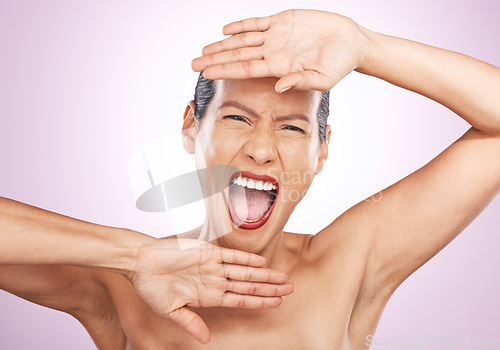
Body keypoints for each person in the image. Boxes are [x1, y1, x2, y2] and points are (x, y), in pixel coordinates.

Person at [1, 8, 500, 349]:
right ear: (192, 128)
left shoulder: (351, 263)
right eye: (236, 118)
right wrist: (131, 256)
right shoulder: (121, 284)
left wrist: (365, 46)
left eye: (292, 127)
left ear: (321, 150)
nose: (261, 148)